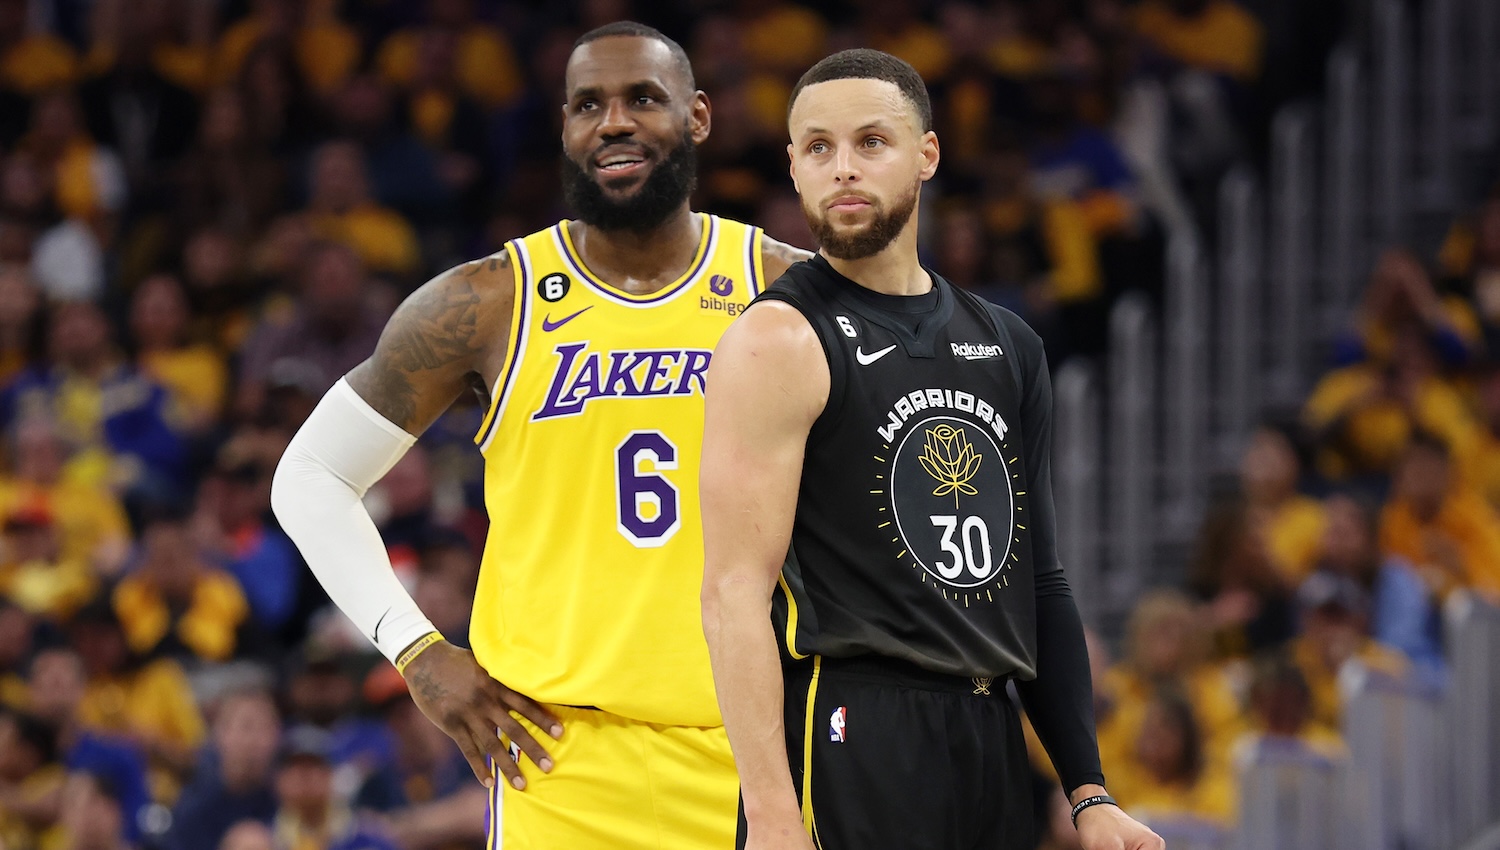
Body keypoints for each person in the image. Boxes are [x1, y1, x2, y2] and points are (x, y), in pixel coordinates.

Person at [272, 21, 809, 849]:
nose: (614, 122)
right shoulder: (487, 303)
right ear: (564, 129)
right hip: (556, 765)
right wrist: (417, 652)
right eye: (588, 104)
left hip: (760, 758)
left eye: (642, 99)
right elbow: (308, 476)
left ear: (698, 117)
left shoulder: (785, 288)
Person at [699, 49, 1161, 849]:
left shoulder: (1008, 344)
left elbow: (1040, 581)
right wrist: (773, 813)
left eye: (871, 142)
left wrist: (1089, 792)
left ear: (928, 154)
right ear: (794, 168)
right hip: (851, 722)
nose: (842, 169)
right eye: (818, 148)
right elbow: (733, 594)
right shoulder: (777, 338)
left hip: (988, 732)